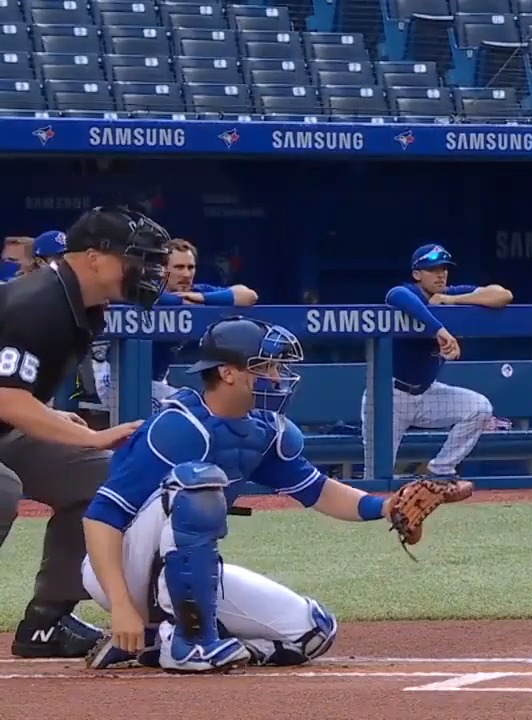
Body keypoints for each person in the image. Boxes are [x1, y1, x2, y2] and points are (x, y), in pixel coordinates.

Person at [81, 316, 473, 673]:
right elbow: (101, 518)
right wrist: (121, 605)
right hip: (122, 567)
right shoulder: (177, 427)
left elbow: (318, 490)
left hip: (182, 574)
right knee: (197, 483)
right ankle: (190, 645)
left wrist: (386, 507)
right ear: (228, 372)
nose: (277, 377)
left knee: (312, 632)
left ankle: (160, 638)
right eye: (265, 367)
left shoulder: (263, 431)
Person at [0, 206, 170, 658]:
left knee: (102, 476)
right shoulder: (37, 303)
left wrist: (55, 420)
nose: (146, 271)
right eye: (136, 259)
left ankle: (47, 622)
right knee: (2, 489)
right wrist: (91, 436)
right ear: (94, 257)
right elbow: (7, 400)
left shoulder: (79, 303)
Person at [363, 244, 513, 479]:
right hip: (389, 397)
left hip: (426, 394)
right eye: (432, 269)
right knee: (376, 475)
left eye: (444, 268)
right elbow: (394, 295)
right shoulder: (409, 293)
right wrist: (439, 330)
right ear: (417, 274)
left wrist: (452, 300)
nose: (441, 274)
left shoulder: (449, 294)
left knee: (479, 408)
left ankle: (439, 470)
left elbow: (503, 295)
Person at [91, 237, 259, 412]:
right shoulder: (145, 290)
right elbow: (168, 301)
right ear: (162, 269)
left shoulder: (195, 293)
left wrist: (201, 298)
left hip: (156, 381)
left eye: (190, 267)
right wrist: (187, 302)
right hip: (117, 378)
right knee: (190, 409)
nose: (186, 274)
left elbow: (248, 296)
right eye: (179, 267)